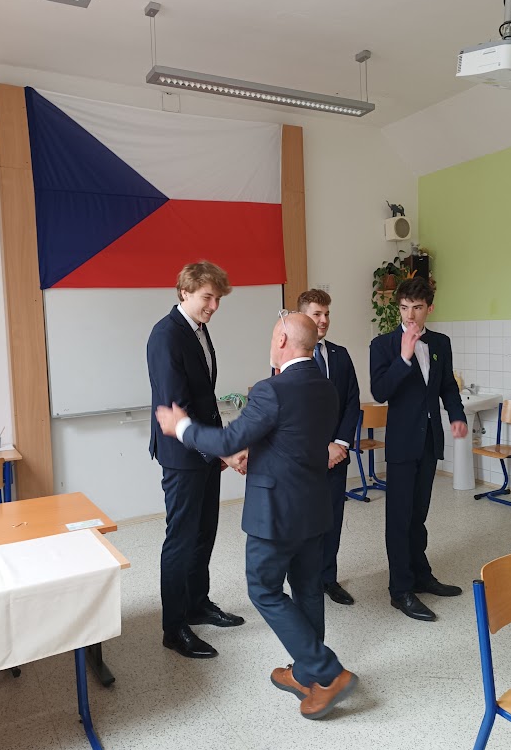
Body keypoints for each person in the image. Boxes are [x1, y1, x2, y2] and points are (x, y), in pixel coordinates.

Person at [156, 312, 359, 719]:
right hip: (313, 507)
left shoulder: (272, 390)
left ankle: (327, 671)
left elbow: (229, 439)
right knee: (306, 589)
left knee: (264, 589)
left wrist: (181, 427)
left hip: (276, 514)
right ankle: (307, 672)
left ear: (283, 340)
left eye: (271, 336)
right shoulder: (325, 386)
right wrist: (256, 452)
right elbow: (293, 440)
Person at [147, 261, 246, 659]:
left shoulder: (199, 329)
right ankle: (174, 628)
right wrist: (218, 448)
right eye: (208, 297)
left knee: (205, 532)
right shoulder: (166, 335)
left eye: (218, 299)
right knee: (181, 540)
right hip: (183, 453)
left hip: (205, 449)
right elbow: (177, 407)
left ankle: (197, 604)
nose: (214, 306)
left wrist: (216, 445)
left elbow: (205, 398)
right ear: (184, 292)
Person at [370, 276, 467, 622]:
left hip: (429, 440)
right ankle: (400, 590)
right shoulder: (382, 345)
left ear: (430, 308)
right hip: (401, 442)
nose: (410, 315)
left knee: (418, 515)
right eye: (404, 308)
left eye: (417, 308)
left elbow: (447, 388)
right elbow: (380, 392)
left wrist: (457, 416)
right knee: (399, 518)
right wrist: (404, 357)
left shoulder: (440, 342)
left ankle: (421, 575)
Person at [297, 288, 360, 605]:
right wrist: (321, 447)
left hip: (338, 456)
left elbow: (352, 402)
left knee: (332, 519)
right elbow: (292, 411)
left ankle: (328, 579)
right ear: (302, 317)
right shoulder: (290, 356)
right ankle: (305, 582)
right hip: (305, 459)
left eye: (326, 314)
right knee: (306, 523)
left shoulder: (340, 355)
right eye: (316, 314)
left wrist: (339, 444)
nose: (323, 320)